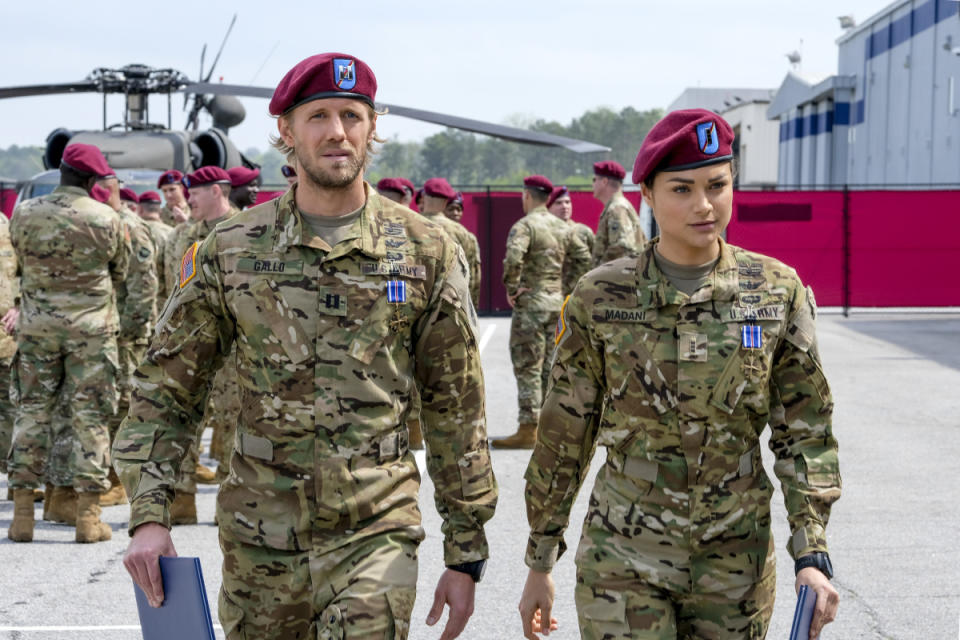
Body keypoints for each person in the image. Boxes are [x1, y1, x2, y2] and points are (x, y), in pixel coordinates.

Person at [115, 52, 497, 640]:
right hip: (259, 540)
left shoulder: (425, 249)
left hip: (376, 532)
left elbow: (457, 404)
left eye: (352, 115)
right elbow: (167, 387)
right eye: (318, 116)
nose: (337, 132)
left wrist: (465, 550)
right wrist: (149, 514)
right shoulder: (231, 248)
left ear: (374, 129)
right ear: (287, 132)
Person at [518, 110, 842, 640]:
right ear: (647, 192)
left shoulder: (776, 291)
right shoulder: (599, 298)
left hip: (735, 566)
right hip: (622, 558)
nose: (704, 205)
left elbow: (805, 430)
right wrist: (540, 560)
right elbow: (563, 435)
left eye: (717, 185)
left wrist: (812, 551)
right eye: (682, 189)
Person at [6, 143, 129, 543]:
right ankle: (88, 519)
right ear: (93, 180)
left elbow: (22, 264)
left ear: (60, 172)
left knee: (31, 412)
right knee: (90, 419)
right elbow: (120, 270)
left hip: (38, 329)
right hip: (91, 332)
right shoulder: (106, 217)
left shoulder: (23, 214)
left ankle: (22, 516)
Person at [160, 166, 240, 521]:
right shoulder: (182, 236)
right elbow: (170, 289)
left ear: (218, 192)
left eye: (196, 191)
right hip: (192, 345)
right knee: (186, 418)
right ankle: (183, 497)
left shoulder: (249, 230)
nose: (187, 197)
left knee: (236, 421)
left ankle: (231, 495)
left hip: (238, 347)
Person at [491, 175, 590, 450]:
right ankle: (550, 428)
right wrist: (568, 291)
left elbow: (513, 258)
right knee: (551, 368)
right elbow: (583, 259)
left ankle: (527, 429)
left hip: (531, 305)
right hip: (556, 304)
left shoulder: (525, 226)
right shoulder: (564, 228)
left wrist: (512, 287)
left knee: (528, 366)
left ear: (526, 196)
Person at [94, 170, 159, 508]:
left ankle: (119, 480)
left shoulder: (128, 225)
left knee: (124, 405)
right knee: (106, 403)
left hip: (126, 333)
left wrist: (132, 330)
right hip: (106, 330)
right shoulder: (100, 222)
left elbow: (145, 284)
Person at [420, 177, 481, 305]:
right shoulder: (462, 233)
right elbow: (473, 276)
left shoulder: (406, 226)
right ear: (446, 201)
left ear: (423, 197)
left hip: (414, 307)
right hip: (449, 309)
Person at [591, 160, 645, 266]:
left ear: (604, 182)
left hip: (617, 279)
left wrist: (598, 271)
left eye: (594, 179)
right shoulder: (618, 206)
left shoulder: (617, 208)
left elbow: (622, 246)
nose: (592, 184)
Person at [0, 213, 18, 500]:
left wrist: (20, 304)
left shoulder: (7, 224)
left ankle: (20, 482)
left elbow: (26, 270)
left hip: (6, 328)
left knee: (12, 406)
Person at [547, 186, 594, 296]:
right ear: (548, 207)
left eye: (567, 202)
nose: (564, 206)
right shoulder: (543, 233)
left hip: (580, 295)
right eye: (558, 203)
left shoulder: (583, 232)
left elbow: (596, 261)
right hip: (552, 296)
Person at [137, 191, 173, 305]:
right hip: (167, 299)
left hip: (141, 298)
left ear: (140, 210)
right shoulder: (173, 233)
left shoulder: (136, 232)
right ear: (160, 211)